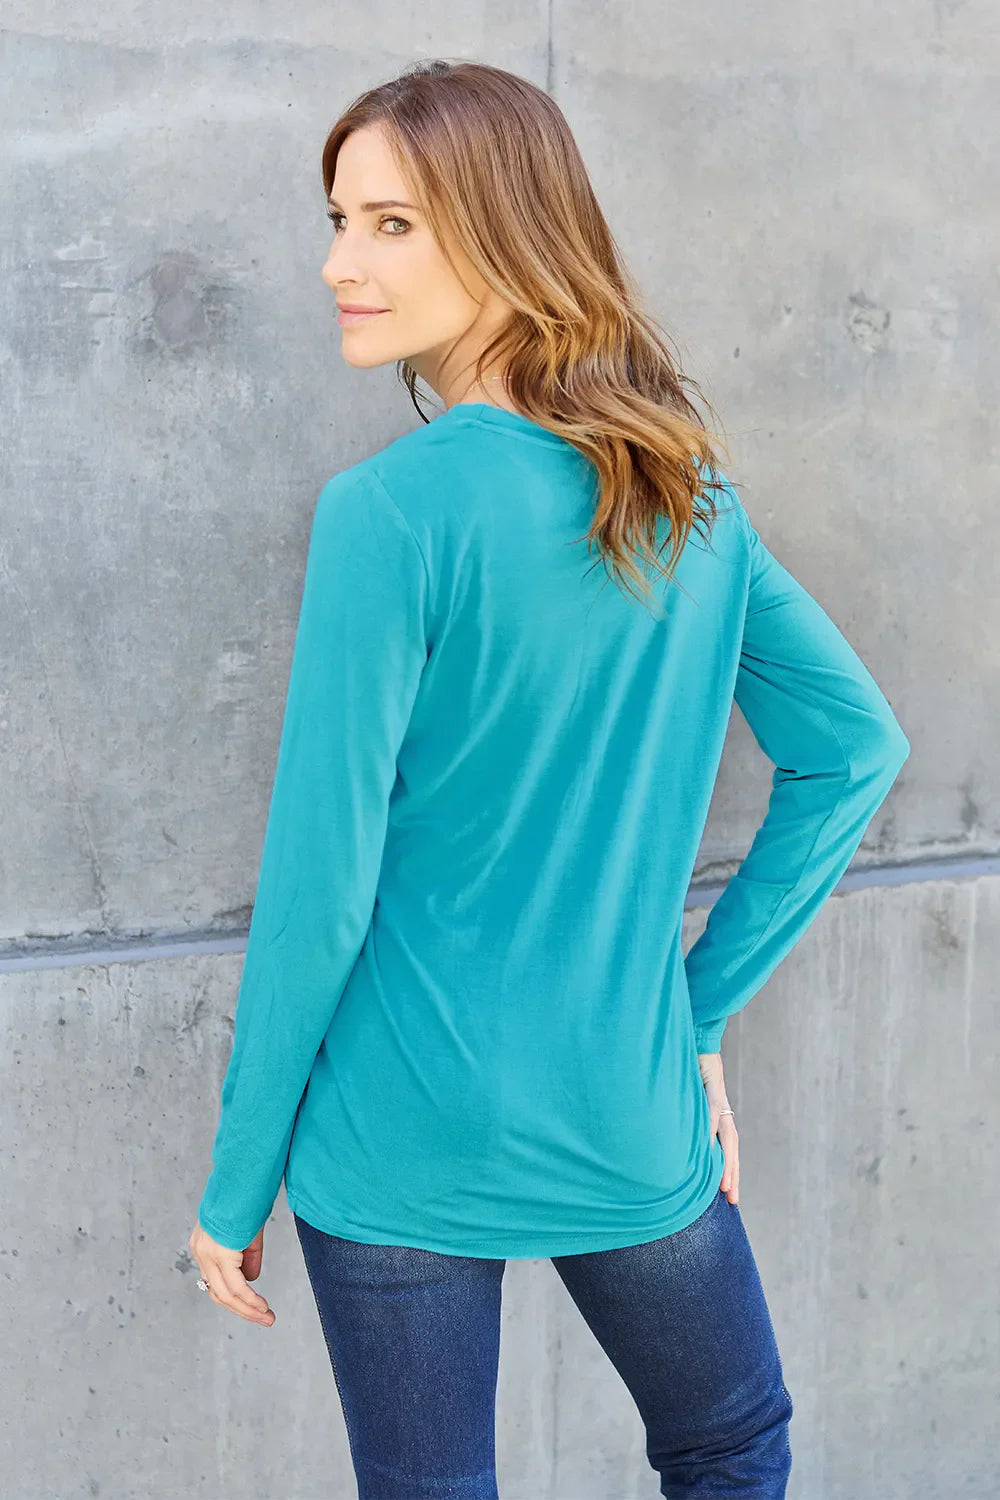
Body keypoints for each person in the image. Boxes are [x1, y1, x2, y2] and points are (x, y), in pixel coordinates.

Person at [188, 60, 910, 1499]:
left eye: (391, 224)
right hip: (621, 1112)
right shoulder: (688, 496)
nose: (339, 265)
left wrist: (235, 1180)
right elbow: (855, 750)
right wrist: (695, 1017)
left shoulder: (390, 514)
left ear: (508, 231)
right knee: (731, 1449)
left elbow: (320, 892)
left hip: (395, 1138)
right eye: (339, 221)